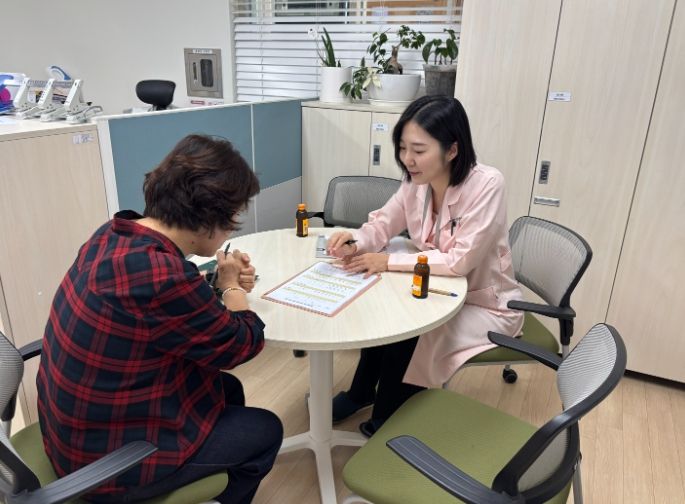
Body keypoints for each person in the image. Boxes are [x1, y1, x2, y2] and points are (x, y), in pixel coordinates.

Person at [36, 134, 283, 503]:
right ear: (209, 218)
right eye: (232, 219)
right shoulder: (163, 276)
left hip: (71, 431)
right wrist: (232, 288)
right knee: (267, 430)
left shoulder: (113, 235)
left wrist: (217, 282)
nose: (232, 228)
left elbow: (159, 309)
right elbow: (241, 344)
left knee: (227, 390)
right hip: (105, 465)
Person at [327, 95, 524, 437]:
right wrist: (356, 241)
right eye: (403, 148)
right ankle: (361, 393)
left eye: (418, 150)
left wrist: (388, 260)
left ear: (452, 150)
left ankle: (392, 413)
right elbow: (383, 224)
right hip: (436, 286)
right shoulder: (414, 183)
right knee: (387, 312)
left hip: (481, 303)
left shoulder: (488, 184)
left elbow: (459, 260)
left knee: (414, 331)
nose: (407, 159)